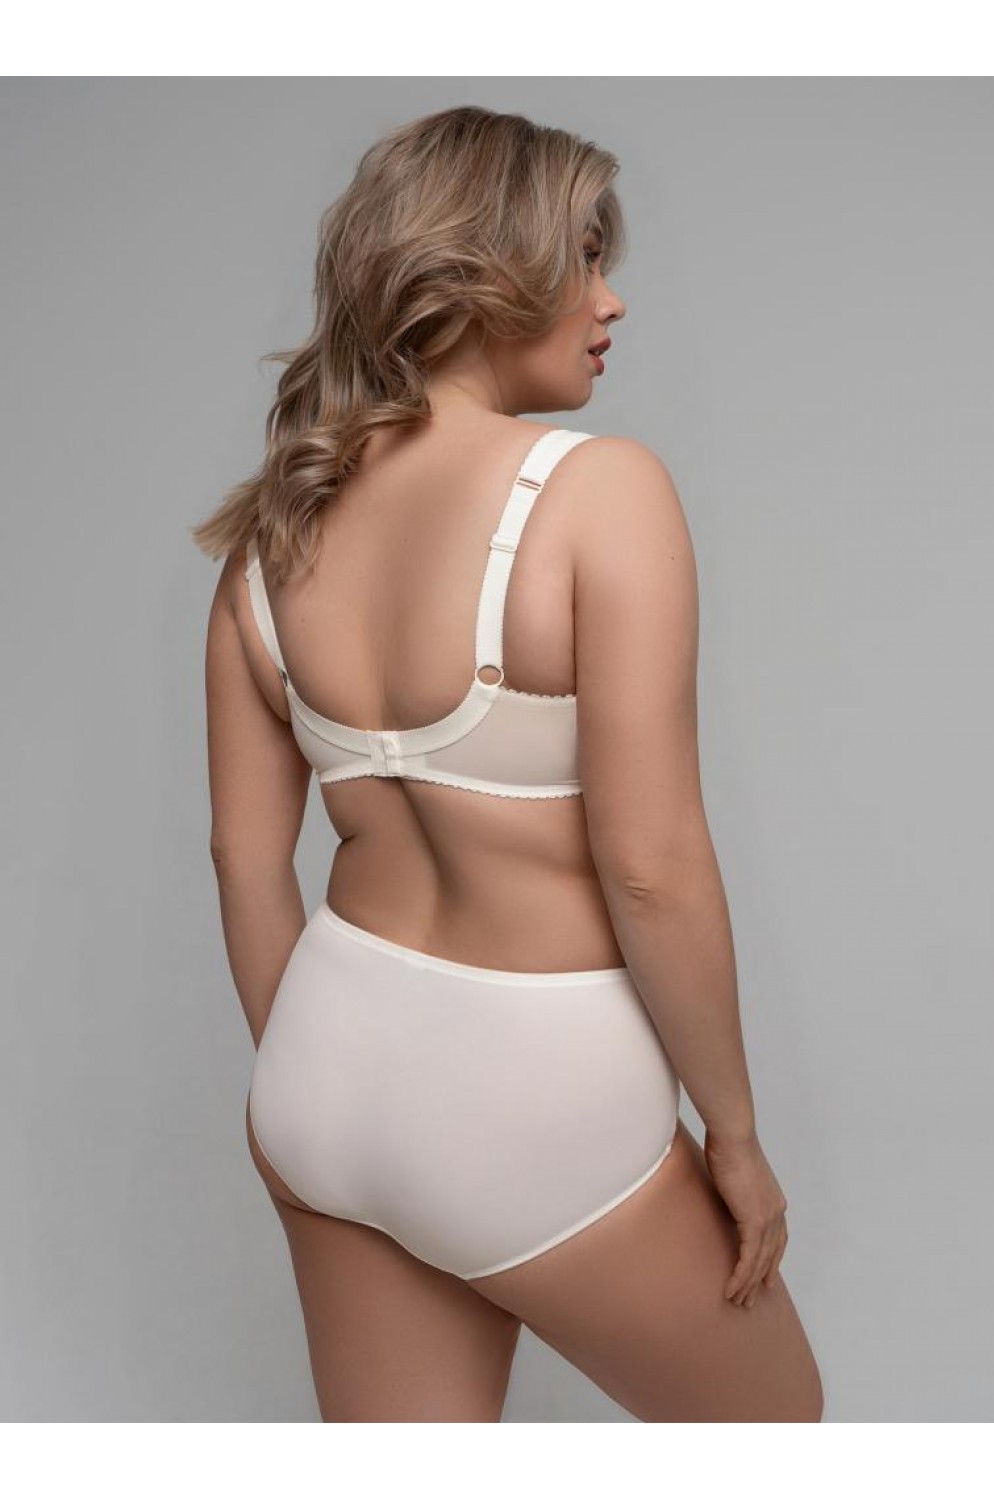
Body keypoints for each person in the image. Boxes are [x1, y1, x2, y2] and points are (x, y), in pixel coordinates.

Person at [194, 104, 823, 1422]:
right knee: (777, 1433)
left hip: (321, 1066)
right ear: (486, 270)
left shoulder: (270, 543)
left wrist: (322, 1077)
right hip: (533, 1081)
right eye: (585, 256)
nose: (612, 299)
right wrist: (737, 1138)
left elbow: (246, 866)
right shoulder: (598, 491)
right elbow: (650, 865)